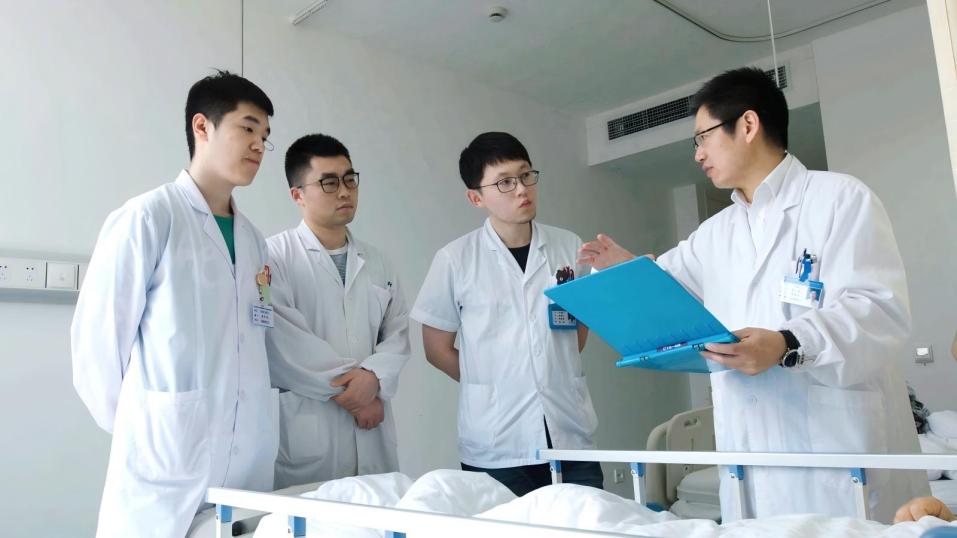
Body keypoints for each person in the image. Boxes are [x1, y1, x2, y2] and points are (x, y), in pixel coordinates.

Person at [579, 67, 928, 522]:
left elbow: (879, 311)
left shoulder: (841, 199)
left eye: (702, 138)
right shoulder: (714, 234)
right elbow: (667, 293)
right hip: (750, 456)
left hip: (839, 454)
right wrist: (628, 273)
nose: (698, 154)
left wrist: (786, 343)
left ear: (747, 125)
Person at [71, 70, 279, 537]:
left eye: (265, 136)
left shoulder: (253, 240)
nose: (259, 146)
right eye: (248, 128)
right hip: (163, 468)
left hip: (245, 466)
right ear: (202, 126)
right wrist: (152, 425)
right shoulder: (148, 218)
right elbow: (96, 349)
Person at [411, 131, 603, 497]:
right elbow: (436, 349)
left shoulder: (569, 246)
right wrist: (492, 384)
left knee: (587, 520)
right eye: (505, 182)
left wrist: (546, 368)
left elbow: (578, 331)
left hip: (569, 432)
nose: (522, 189)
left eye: (526, 175)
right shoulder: (455, 259)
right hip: (496, 442)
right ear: (476, 197)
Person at [266, 134, 409, 488]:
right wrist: (359, 396)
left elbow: (397, 334)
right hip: (311, 430)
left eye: (349, 179)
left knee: (377, 507)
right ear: (297, 195)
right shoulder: (273, 257)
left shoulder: (378, 262)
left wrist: (373, 378)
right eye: (329, 182)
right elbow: (284, 343)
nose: (344, 191)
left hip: (373, 430)